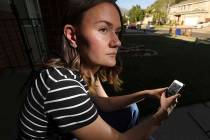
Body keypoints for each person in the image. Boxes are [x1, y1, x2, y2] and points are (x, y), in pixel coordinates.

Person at [17, 0, 180, 139]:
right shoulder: (61, 85)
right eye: (103, 29)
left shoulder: (82, 70)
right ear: (72, 35)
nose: (117, 42)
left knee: (132, 108)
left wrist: (146, 93)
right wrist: (161, 114)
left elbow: (106, 103)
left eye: (117, 32)